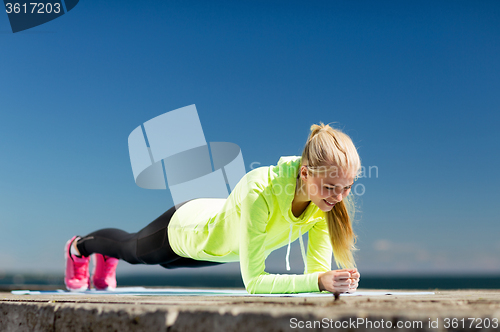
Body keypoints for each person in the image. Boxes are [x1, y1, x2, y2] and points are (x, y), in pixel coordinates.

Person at [64, 123, 361, 294]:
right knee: (133, 250)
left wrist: (333, 281)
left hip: (220, 250)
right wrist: (320, 282)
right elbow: (254, 283)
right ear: (306, 174)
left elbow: (317, 275)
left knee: (167, 265)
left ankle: (106, 255)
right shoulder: (260, 188)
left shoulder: (323, 207)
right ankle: (80, 248)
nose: (338, 197)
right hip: (186, 229)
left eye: (346, 187)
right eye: (330, 187)